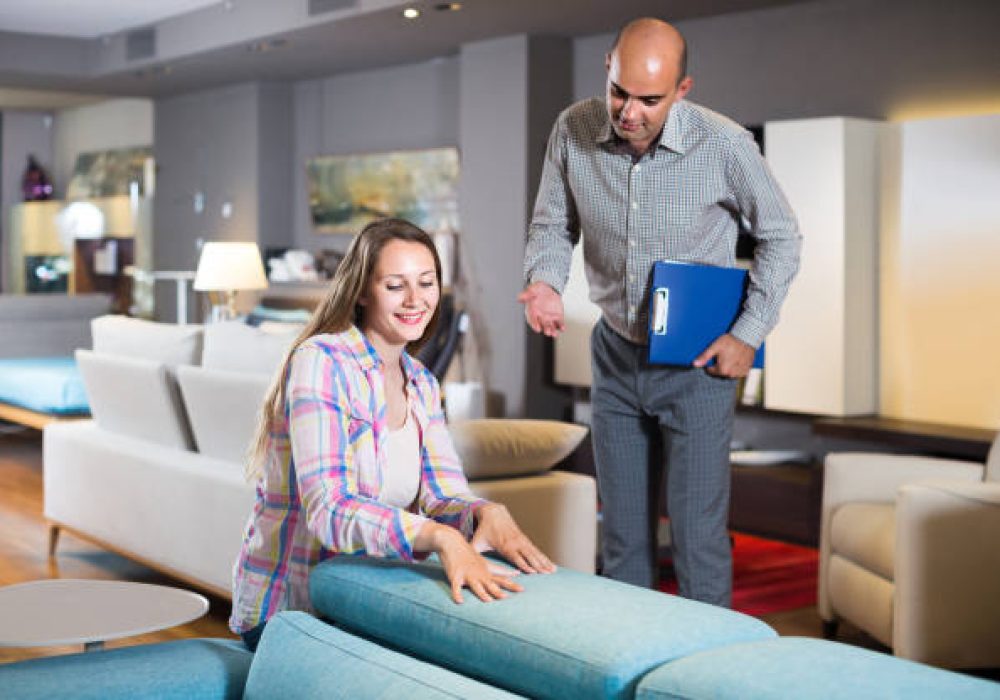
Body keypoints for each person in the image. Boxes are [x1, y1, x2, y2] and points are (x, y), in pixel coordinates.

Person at [519, 18, 801, 607]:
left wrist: (747, 333)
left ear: (682, 89)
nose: (629, 112)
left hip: (697, 365)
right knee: (623, 537)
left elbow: (782, 237)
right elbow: (553, 222)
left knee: (697, 538)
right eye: (620, 92)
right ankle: (629, 671)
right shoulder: (572, 129)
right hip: (616, 353)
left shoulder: (724, 145)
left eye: (650, 99)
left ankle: (702, 680)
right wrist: (545, 281)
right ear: (607, 69)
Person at [232, 217, 554, 650]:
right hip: (293, 610)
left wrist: (481, 513)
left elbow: (441, 495)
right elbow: (329, 507)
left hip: (366, 601)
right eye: (395, 285)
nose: (415, 300)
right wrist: (438, 536)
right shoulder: (322, 361)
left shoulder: (421, 382)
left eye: (426, 283)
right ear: (363, 290)